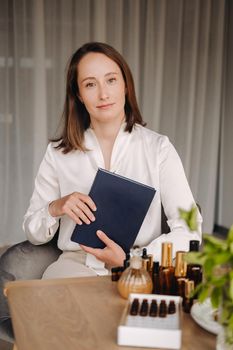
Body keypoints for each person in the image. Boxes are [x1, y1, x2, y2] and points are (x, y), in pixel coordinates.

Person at [23, 42, 202, 279]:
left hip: (140, 267)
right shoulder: (58, 153)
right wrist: (56, 207)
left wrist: (134, 259)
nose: (103, 94)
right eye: (90, 84)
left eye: (111, 80)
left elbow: (190, 231)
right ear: (78, 94)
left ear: (125, 85)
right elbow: (33, 232)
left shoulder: (159, 148)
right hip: (75, 266)